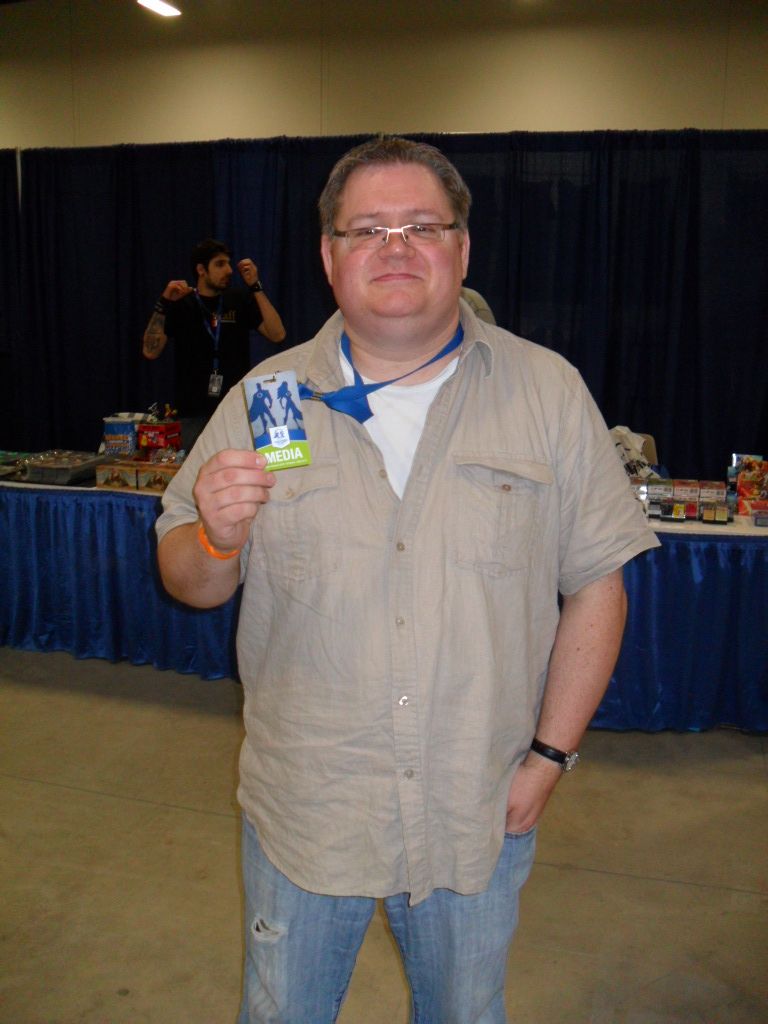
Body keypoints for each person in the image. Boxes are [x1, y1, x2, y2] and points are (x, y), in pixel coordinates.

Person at [154, 137, 659, 1024]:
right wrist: (218, 539)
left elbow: (599, 583)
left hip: (476, 805)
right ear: (329, 257)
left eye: (422, 225)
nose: (395, 247)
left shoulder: (545, 391)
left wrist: (549, 759)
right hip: (307, 807)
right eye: (367, 229)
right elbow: (188, 580)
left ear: (462, 249)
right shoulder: (267, 400)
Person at [143, 238, 286, 448]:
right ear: (201, 269)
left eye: (228, 263)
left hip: (235, 409)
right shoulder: (182, 303)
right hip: (192, 412)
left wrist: (256, 286)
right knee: (194, 475)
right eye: (220, 264)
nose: (228, 270)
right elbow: (150, 351)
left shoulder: (238, 299)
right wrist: (164, 302)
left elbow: (278, 334)